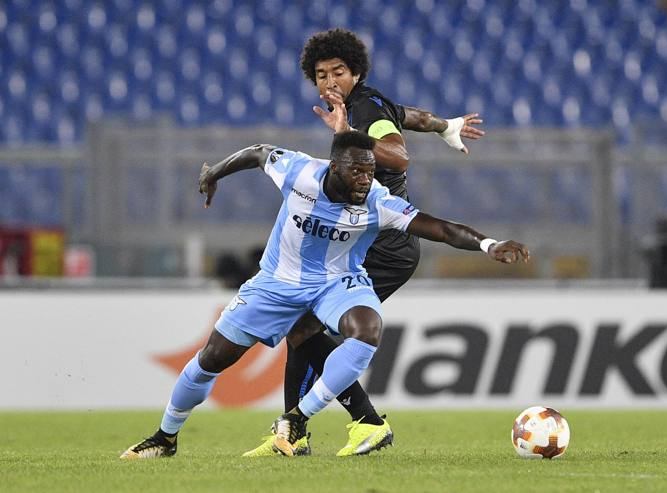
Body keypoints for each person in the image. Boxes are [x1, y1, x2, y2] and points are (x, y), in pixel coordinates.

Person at [120, 101, 529, 460]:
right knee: (212, 360)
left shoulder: (377, 202)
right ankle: (164, 438)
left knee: (367, 329)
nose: (365, 180)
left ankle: (296, 419)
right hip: (277, 282)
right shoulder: (299, 172)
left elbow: (439, 228)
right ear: (334, 167)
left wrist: (487, 244)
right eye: (357, 172)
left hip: (338, 283)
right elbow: (259, 153)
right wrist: (215, 174)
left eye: (370, 172)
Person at [243, 27, 487, 458]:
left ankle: (362, 423)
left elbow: (396, 154)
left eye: (338, 71)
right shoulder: (370, 102)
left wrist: (345, 137)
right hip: (370, 240)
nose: (330, 81)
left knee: (304, 327)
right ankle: (296, 433)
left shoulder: (359, 108)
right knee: (301, 328)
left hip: (384, 244)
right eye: (321, 75)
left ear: (355, 72)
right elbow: (405, 116)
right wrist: (444, 125)